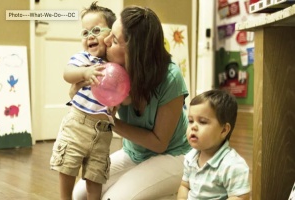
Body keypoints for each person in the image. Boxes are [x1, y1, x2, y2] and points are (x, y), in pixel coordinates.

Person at [72, 5, 191, 200]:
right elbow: (75, 89)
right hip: (134, 153)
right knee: (80, 195)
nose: (106, 41)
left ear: (135, 52)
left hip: (174, 155)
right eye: (110, 34)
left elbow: (159, 143)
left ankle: (171, 193)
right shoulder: (109, 66)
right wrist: (76, 91)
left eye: (115, 40)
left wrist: (111, 121)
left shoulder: (171, 77)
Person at [49, 2, 116, 200]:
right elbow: (67, 74)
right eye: (85, 33)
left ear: (111, 35)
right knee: (67, 167)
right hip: (77, 124)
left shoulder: (115, 65)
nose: (90, 37)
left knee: (96, 173)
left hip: (103, 131)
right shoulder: (83, 59)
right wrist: (84, 72)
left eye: (96, 30)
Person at [177, 89, 251, 200]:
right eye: (191, 121)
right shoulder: (190, 158)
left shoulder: (232, 165)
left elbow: (240, 197)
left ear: (223, 130)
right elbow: (184, 186)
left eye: (202, 121)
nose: (193, 127)